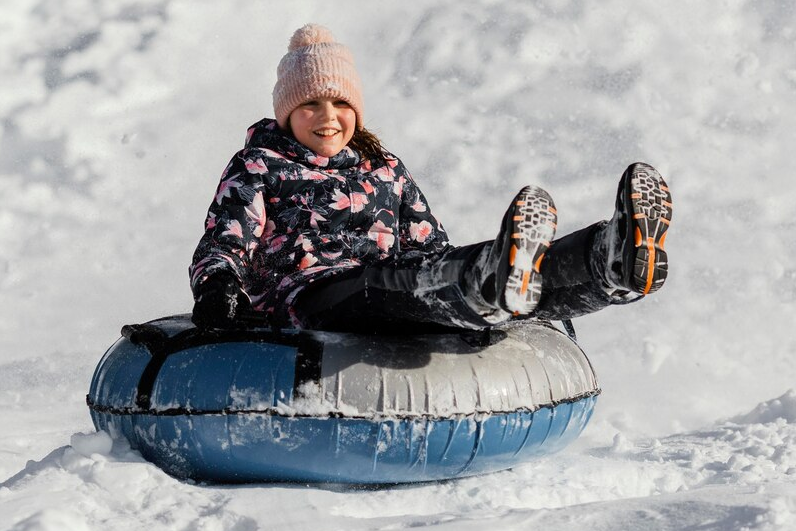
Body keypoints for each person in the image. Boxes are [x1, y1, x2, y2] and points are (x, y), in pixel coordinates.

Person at [189, 24, 672, 334]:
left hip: (392, 285)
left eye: (341, 104)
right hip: (311, 296)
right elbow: (225, 240)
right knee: (392, 283)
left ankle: (605, 264)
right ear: (287, 113)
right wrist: (217, 287)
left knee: (444, 269)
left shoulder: (385, 168)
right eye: (310, 105)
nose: (328, 117)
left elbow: (428, 244)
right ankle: (489, 284)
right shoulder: (259, 166)